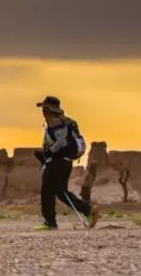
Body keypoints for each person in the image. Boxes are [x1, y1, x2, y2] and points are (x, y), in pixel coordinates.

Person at [35, 96, 99, 230]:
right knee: (61, 192)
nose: (43, 112)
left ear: (50, 110)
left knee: (47, 189)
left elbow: (58, 145)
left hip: (57, 162)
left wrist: (48, 154)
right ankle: (88, 210)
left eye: (44, 109)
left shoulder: (56, 124)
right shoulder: (67, 122)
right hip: (66, 162)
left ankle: (50, 222)